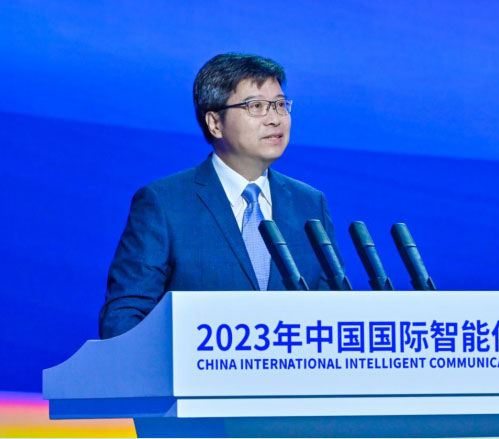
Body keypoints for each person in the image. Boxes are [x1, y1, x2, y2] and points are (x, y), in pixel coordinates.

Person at [99, 53, 340, 339]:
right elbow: (124, 317)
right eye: (257, 106)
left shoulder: (309, 203)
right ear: (215, 122)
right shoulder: (164, 204)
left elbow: (334, 312)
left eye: (280, 105)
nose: (275, 119)